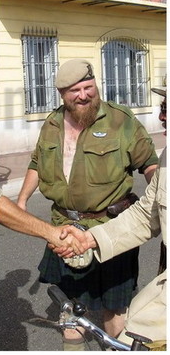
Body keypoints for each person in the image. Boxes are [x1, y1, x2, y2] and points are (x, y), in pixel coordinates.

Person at [17, 59, 158, 350]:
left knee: (115, 310)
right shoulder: (52, 123)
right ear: (62, 95)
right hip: (64, 230)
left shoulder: (121, 120)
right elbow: (36, 161)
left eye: (88, 87)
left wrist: (162, 201)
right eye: (74, 91)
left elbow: (150, 165)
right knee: (70, 311)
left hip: (112, 230)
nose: (84, 95)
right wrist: (21, 201)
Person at [54, 83, 167, 348]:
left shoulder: (123, 120)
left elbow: (144, 161)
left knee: (119, 314)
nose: (162, 116)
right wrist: (89, 239)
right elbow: (145, 214)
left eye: (167, 108)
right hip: (83, 230)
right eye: (163, 107)